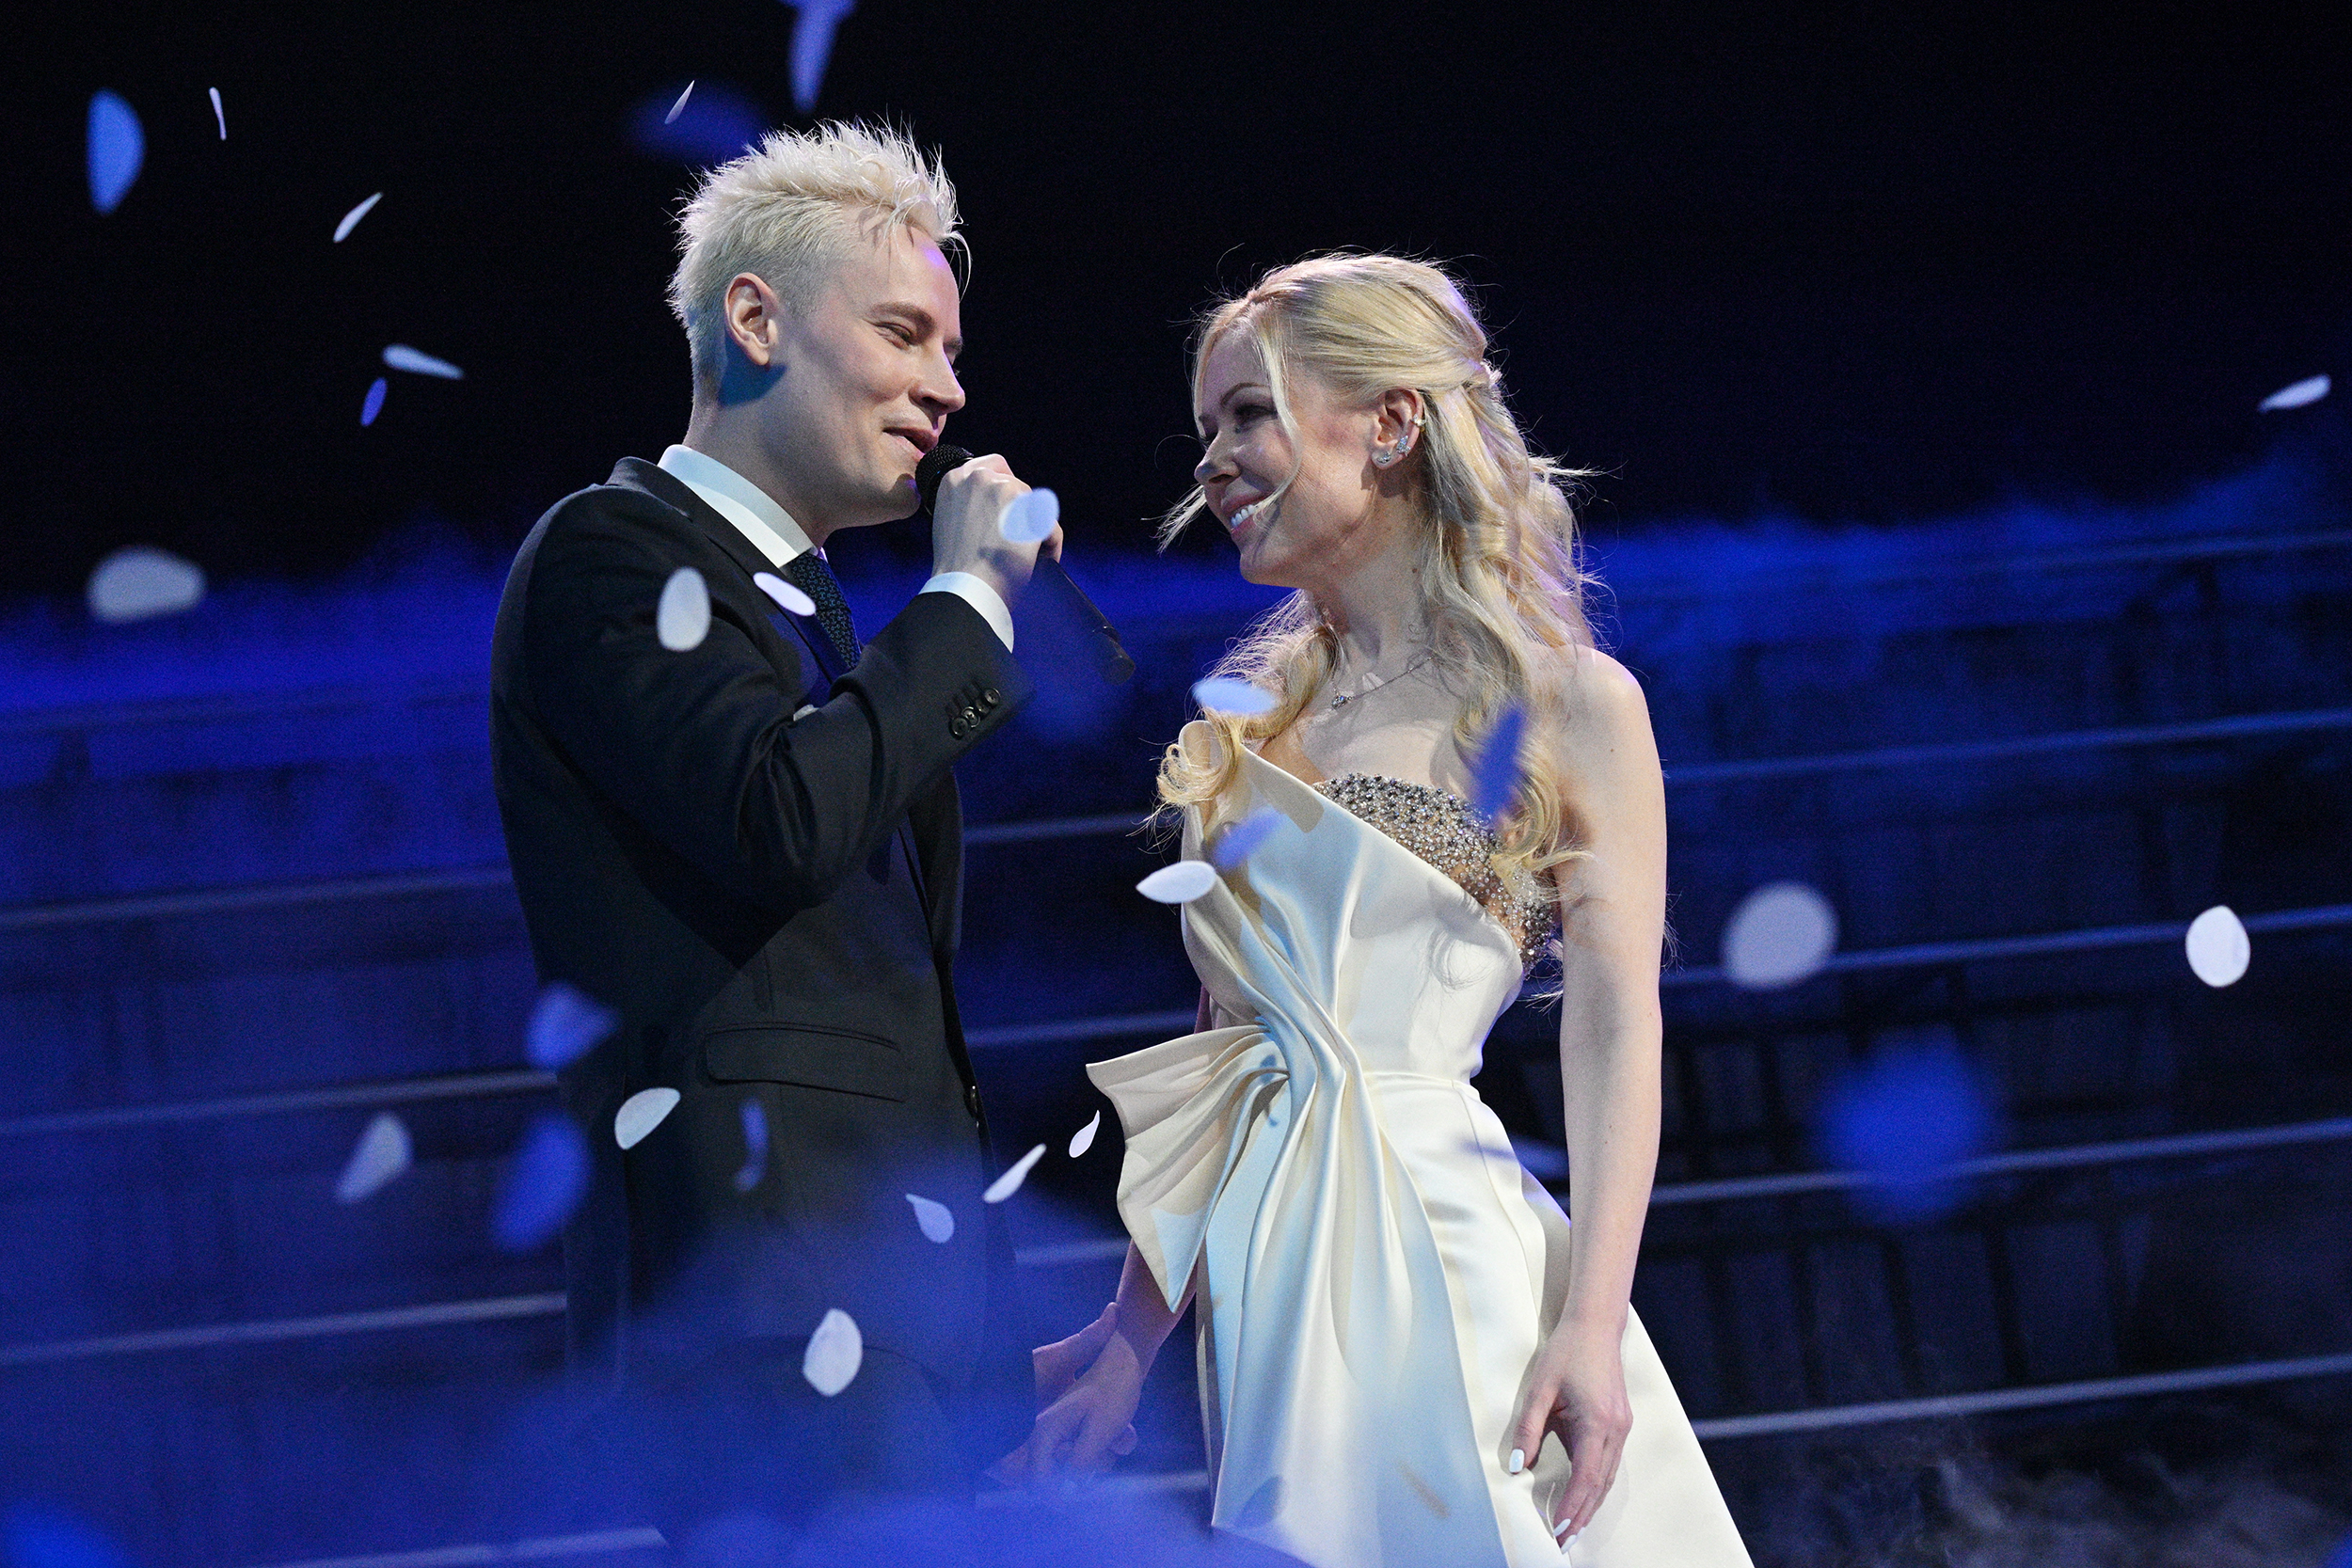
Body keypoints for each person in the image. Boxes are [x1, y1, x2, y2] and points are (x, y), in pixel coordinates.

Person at [1005, 255, 1753, 1567]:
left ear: (1393, 422)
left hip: (1444, 1249)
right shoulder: (1252, 725)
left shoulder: (1571, 703)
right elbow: (1226, 1061)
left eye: (1249, 414)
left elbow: (1614, 1025)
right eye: (1207, 428)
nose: (1213, 464)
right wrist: (1132, 1336)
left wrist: (1591, 1323)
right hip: (1274, 1281)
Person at [488, 122, 1056, 1533]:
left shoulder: (809, 616)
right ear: (755, 321)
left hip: (882, 1329)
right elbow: (784, 815)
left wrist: (972, 1338)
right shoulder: (610, 554)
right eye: (904, 333)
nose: (949, 387)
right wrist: (968, 598)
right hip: (765, 1317)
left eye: (952, 350)